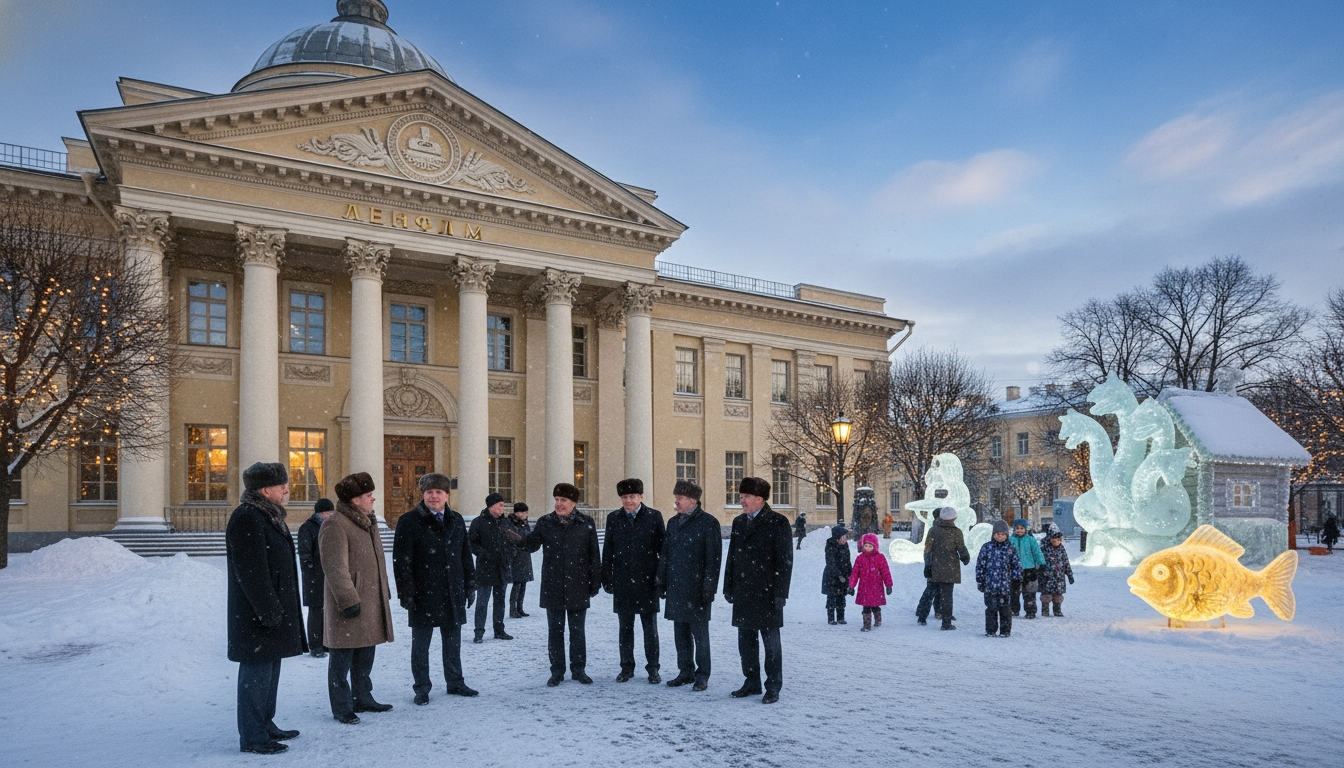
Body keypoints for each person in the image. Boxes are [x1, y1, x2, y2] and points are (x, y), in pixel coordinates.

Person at [226, 462, 306, 755]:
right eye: (281, 485)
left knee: (269, 671)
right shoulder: (248, 517)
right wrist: (268, 610)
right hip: (256, 616)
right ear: (264, 490)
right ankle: (252, 736)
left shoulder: (267, 515)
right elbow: (251, 572)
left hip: (271, 612)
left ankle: (265, 724)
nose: (287, 489)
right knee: (256, 675)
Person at [391, 472, 478, 706]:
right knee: (421, 645)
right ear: (423, 494)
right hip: (423, 593)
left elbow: (465, 555)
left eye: (438, 492)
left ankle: (455, 682)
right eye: (429, 492)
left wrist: (470, 584)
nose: (433, 496)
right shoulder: (409, 521)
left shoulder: (457, 520)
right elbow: (401, 561)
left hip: (452, 591)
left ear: (447, 495)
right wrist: (406, 592)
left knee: (452, 642)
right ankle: (422, 687)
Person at [320, 472, 395, 724]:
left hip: (370, 601)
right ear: (355, 500)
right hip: (350, 603)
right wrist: (348, 599)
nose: (373, 499)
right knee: (341, 659)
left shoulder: (367, 521)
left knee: (365, 654)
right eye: (368, 495)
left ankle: (363, 697)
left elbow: (376, 562)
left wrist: (383, 589)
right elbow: (334, 567)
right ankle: (342, 707)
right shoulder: (335, 524)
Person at [510, 483, 602, 687]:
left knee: (577, 631)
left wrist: (595, 582)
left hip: (578, 584)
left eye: (564, 500)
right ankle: (557, 671)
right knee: (555, 631)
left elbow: (593, 555)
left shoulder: (586, 523)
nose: (559, 504)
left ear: (574, 503)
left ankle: (579, 670)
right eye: (557, 500)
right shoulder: (545, 522)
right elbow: (532, 545)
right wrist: (519, 540)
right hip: (553, 585)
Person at [724, 477, 793, 704]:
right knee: (746, 641)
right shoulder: (738, 523)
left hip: (767, 591)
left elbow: (785, 561)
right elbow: (732, 556)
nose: (741, 500)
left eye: (745, 497)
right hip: (744, 591)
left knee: (770, 642)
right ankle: (751, 681)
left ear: (760, 499)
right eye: (741, 496)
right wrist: (728, 585)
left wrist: (781, 593)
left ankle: (773, 686)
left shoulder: (778, 522)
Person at [657, 479, 721, 692]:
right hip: (676, 587)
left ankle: (702, 675)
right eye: (676, 498)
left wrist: (709, 587)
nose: (676, 502)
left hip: (697, 589)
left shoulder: (708, 523)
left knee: (700, 635)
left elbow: (713, 559)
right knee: (680, 633)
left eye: (680, 498)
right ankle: (685, 671)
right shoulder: (673, 523)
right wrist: (661, 581)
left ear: (693, 500)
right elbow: (666, 554)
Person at [601, 478, 666, 684]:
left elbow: (662, 550)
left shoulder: (654, 517)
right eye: (624, 497)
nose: (628, 501)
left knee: (650, 629)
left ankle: (653, 668)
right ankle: (626, 667)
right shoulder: (614, 518)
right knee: (625, 628)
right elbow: (608, 550)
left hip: (647, 582)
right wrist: (607, 577)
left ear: (641, 497)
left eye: (632, 497)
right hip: (623, 581)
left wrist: (660, 578)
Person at [468, 493, 513, 643]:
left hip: (502, 568)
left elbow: (512, 541)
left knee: (500, 601)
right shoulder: (478, 522)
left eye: (503, 505)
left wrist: (509, 554)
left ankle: (499, 630)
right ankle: (478, 632)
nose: (502, 507)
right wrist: (484, 555)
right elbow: (471, 543)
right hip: (485, 568)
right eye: (500, 504)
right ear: (491, 506)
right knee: (482, 602)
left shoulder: (506, 523)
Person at [297, 497, 335, 658]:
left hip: (328, 576)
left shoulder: (331, 527)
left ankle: (326, 643)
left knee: (327, 611)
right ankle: (315, 646)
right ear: (322, 512)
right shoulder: (308, 528)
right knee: (316, 611)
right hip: (315, 577)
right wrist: (311, 571)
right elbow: (305, 554)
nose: (331, 514)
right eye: (329, 512)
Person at [924, 506, 970, 631]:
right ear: (954, 518)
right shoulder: (956, 532)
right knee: (947, 596)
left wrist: (927, 565)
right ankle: (946, 622)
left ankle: (922, 616)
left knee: (930, 591)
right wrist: (965, 558)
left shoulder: (933, 530)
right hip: (950, 568)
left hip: (935, 566)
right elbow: (961, 548)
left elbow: (927, 549)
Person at [976, 520, 1022, 637]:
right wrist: (980, 580)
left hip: (1005, 586)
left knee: (1005, 610)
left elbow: (1016, 565)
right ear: (993, 534)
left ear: (1006, 535)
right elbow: (980, 565)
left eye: (1002, 534)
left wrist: (1016, 580)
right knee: (991, 609)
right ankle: (991, 630)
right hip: (990, 585)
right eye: (997, 534)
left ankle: (1005, 631)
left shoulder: (1010, 548)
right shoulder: (987, 547)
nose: (1000, 536)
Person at [848, 533, 893, 632]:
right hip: (864, 587)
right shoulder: (860, 559)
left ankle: (878, 619)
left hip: (876, 587)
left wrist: (888, 585)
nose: (868, 548)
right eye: (866, 546)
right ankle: (867, 625)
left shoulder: (880, 558)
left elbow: (885, 572)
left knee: (875, 606)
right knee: (866, 607)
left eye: (870, 546)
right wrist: (851, 585)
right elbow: (855, 573)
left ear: (875, 546)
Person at [1009, 518, 1046, 619]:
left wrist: (1041, 563)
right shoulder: (1010, 540)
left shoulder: (1030, 540)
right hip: (1014, 570)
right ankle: (1014, 610)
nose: (1019, 530)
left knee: (1029, 592)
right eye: (1017, 528)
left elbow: (1037, 552)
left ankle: (1030, 610)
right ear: (1014, 529)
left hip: (1029, 569)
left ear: (1025, 529)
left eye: (1022, 528)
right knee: (1014, 592)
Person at [503, 502, 534, 618]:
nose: (525, 514)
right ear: (517, 513)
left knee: (523, 583)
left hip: (525, 555)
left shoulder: (524, 524)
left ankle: (520, 608)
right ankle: (513, 609)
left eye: (526, 512)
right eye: (523, 512)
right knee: (517, 583)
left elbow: (528, 536)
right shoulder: (510, 523)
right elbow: (510, 538)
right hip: (516, 556)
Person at [1038, 528, 1075, 616]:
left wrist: (1070, 575)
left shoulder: (1061, 549)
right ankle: (1045, 610)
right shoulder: (1044, 549)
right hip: (1046, 577)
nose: (1056, 541)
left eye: (1058, 540)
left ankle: (1057, 610)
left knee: (1058, 596)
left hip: (1059, 578)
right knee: (1046, 595)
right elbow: (1039, 561)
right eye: (1054, 539)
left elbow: (1066, 562)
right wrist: (1039, 571)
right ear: (1049, 539)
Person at [821, 525, 852, 626]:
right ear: (837, 538)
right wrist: (839, 575)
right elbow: (831, 563)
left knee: (841, 597)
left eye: (845, 537)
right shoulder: (830, 546)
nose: (845, 539)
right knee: (831, 598)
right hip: (832, 577)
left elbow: (848, 562)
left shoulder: (845, 546)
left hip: (843, 575)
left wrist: (850, 575)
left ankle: (840, 617)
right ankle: (831, 618)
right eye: (843, 537)